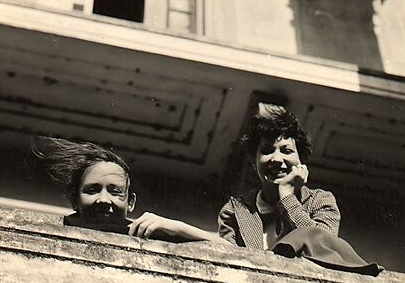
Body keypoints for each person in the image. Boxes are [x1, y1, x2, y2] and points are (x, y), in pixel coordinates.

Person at [32, 136, 226, 242]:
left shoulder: (146, 233)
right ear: (74, 199)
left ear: (130, 202)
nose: (104, 200)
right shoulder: (55, 229)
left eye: (115, 191)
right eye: (92, 190)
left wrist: (176, 228)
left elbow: (230, 250)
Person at [218, 104, 340, 249]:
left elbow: (323, 248)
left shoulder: (320, 201)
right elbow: (227, 255)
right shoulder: (234, 210)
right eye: (267, 150)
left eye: (286, 151)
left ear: (301, 160)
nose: (276, 159)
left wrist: (287, 196)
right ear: (253, 162)